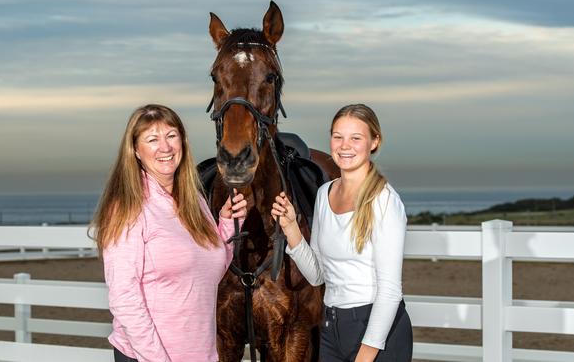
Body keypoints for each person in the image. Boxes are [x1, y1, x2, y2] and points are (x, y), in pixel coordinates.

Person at [90, 104, 247, 362]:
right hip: (149, 357)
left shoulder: (193, 199)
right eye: (152, 139)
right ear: (135, 150)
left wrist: (227, 223)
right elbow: (124, 299)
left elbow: (209, 274)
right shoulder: (128, 207)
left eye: (171, 136)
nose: (165, 147)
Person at [271, 104, 412, 362]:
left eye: (356, 138)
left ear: (374, 142)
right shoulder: (325, 194)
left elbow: (390, 291)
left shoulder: (384, 201)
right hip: (331, 327)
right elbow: (316, 275)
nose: (344, 146)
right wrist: (291, 227)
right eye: (338, 136)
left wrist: (367, 352)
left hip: (376, 329)